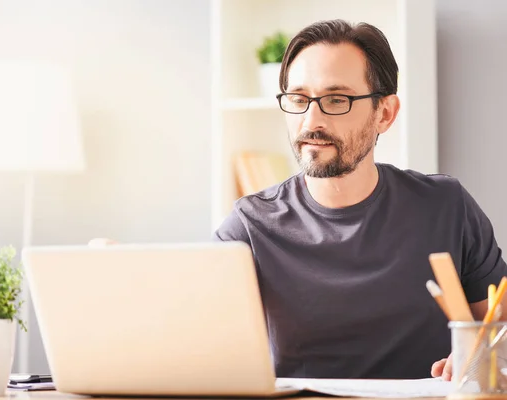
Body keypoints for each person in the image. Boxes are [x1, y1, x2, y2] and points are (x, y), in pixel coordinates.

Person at [212, 19, 507, 380]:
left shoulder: (446, 206)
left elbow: (499, 334)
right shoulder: (249, 225)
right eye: (299, 99)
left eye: (336, 99)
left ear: (384, 113)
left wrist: (481, 360)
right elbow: (196, 342)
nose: (311, 120)